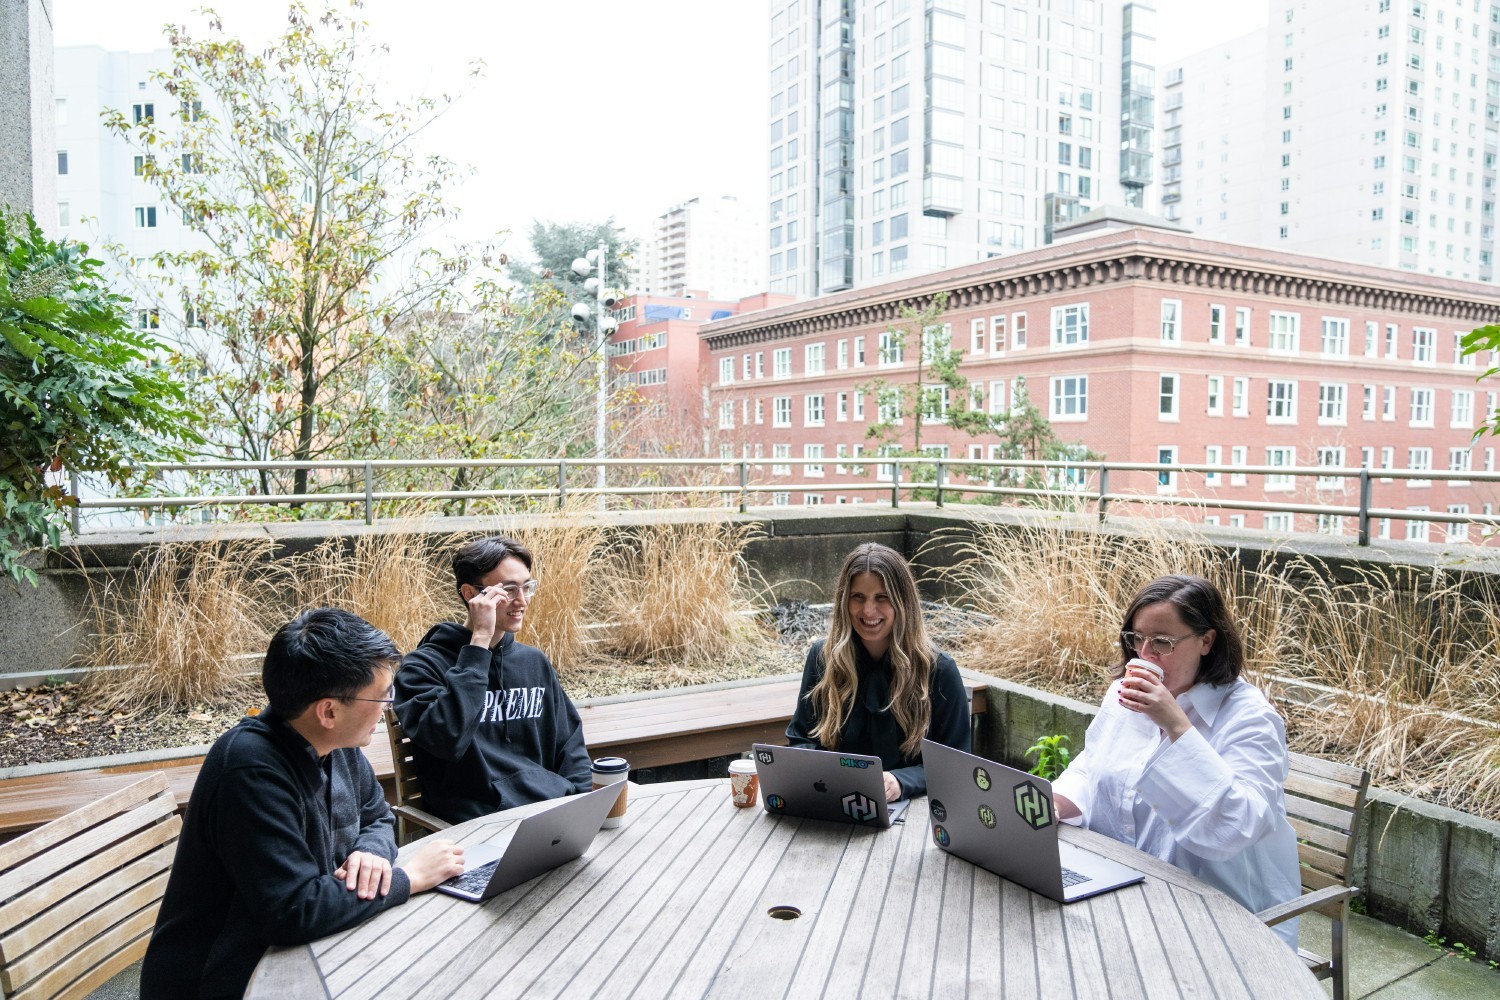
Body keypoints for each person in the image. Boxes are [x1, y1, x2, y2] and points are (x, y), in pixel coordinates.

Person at [140, 609, 465, 1000]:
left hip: (310, 953)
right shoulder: (249, 771)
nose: (387, 706)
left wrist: (372, 854)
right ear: (328, 711)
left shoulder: (333, 743)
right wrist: (408, 878)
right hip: (226, 978)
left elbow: (377, 815)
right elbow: (293, 911)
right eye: (381, 695)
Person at [1051, 574, 1302, 949]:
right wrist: (1054, 803)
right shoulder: (1123, 694)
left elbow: (1238, 823)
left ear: (1206, 640)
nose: (1145, 655)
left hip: (1224, 917)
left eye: (1163, 642)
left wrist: (1175, 724)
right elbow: (1092, 765)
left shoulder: (1251, 719)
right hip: (1128, 892)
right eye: (1137, 639)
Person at [394, 535, 590, 824]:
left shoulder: (533, 662)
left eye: (527, 587)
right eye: (508, 590)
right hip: (477, 826)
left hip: (548, 816)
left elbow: (570, 746)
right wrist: (479, 644)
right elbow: (449, 739)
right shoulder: (422, 667)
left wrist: (583, 808)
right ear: (471, 593)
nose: (521, 601)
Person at [785, 542, 970, 801]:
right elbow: (801, 738)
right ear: (844, 601)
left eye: (882, 598)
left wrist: (901, 781)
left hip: (915, 808)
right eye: (858, 597)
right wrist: (824, 772)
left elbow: (957, 764)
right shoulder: (822, 658)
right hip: (834, 802)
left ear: (903, 602)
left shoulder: (939, 670)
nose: (868, 611)